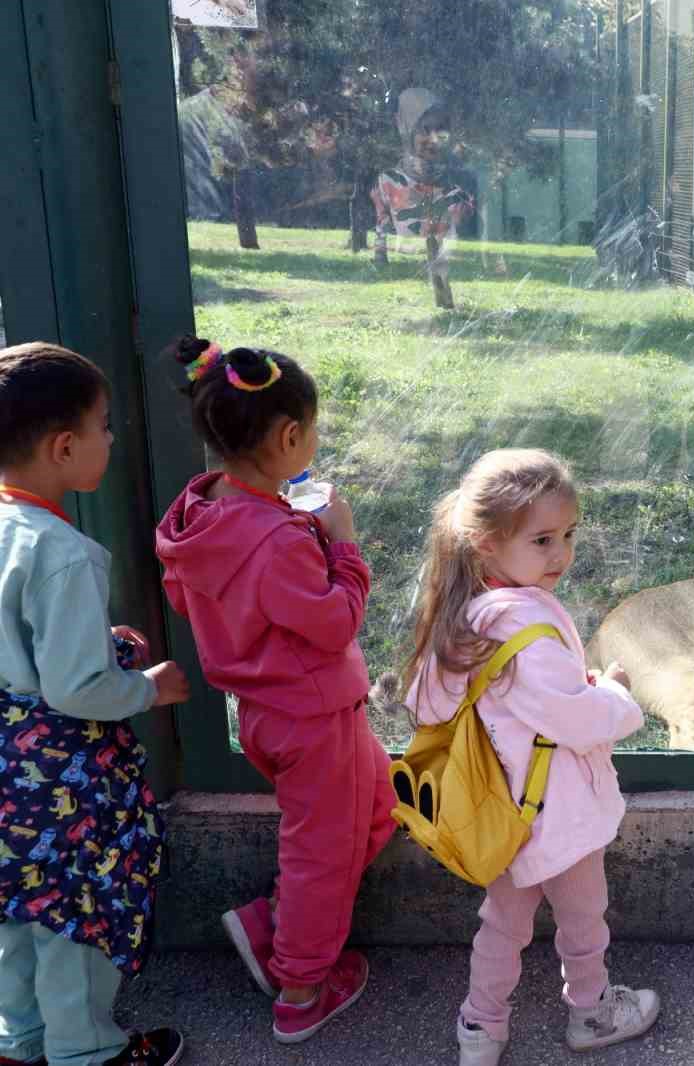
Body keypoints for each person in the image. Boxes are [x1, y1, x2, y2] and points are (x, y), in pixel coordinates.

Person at [154, 337, 395, 1044]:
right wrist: (342, 546)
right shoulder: (280, 540)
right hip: (315, 719)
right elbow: (333, 622)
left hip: (266, 715)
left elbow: (181, 595)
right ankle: (299, 987)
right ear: (292, 436)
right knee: (322, 854)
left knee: (374, 810)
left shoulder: (200, 516)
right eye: (312, 431)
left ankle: (275, 923)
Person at [403, 449, 658, 1065]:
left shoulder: (462, 615)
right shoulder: (525, 632)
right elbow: (574, 719)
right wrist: (617, 694)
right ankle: (591, 1013)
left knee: (501, 925)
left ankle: (480, 1028)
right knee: (583, 919)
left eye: (567, 535)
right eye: (542, 540)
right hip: (558, 815)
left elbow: (426, 705)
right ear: (487, 544)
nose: (561, 554)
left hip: (497, 814)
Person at [0, 343, 190, 1065]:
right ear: (63, 445)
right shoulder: (63, 551)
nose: (112, 438)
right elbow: (74, 690)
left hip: (3, 780)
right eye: (105, 425)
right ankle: (88, 1054)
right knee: (73, 917)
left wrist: (96, 637)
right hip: (59, 784)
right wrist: (149, 686)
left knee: (16, 910)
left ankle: (19, 1042)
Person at [370, 87, 476, 309]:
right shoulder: (388, 183)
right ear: (407, 129)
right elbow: (385, 226)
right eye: (425, 130)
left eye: (441, 131)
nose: (434, 139)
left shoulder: (458, 186)